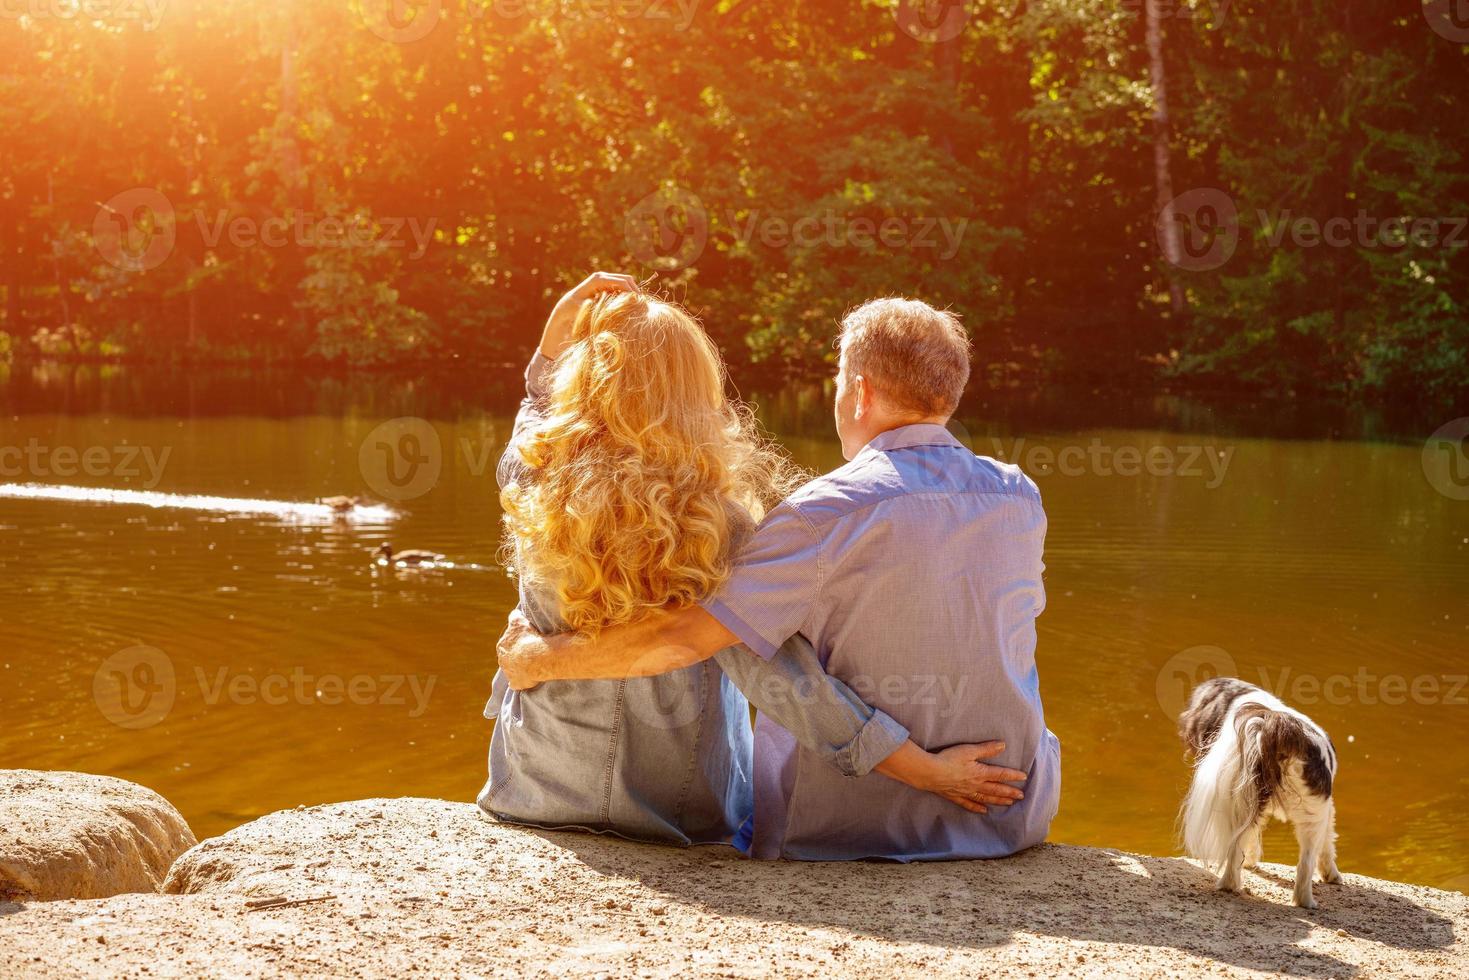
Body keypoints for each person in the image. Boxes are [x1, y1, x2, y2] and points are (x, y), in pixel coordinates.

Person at [497, 294, 1060, 861]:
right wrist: (925, 770)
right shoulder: (719, 526)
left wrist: (537, 658)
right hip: (677, 809)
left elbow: (533, 414)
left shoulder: (528, 479)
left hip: (538, 782)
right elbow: (784, 679)